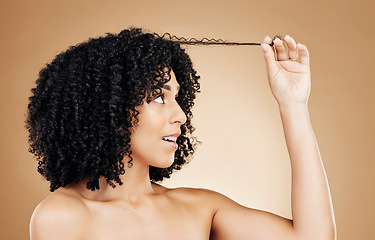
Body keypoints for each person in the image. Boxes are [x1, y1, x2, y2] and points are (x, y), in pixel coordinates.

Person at [26, 28, 336, 239]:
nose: (181, 115)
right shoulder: (61, 216)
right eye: (159, 97)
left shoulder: (201, 209)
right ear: (108, 106)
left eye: (177, 97)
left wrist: (293, 105)